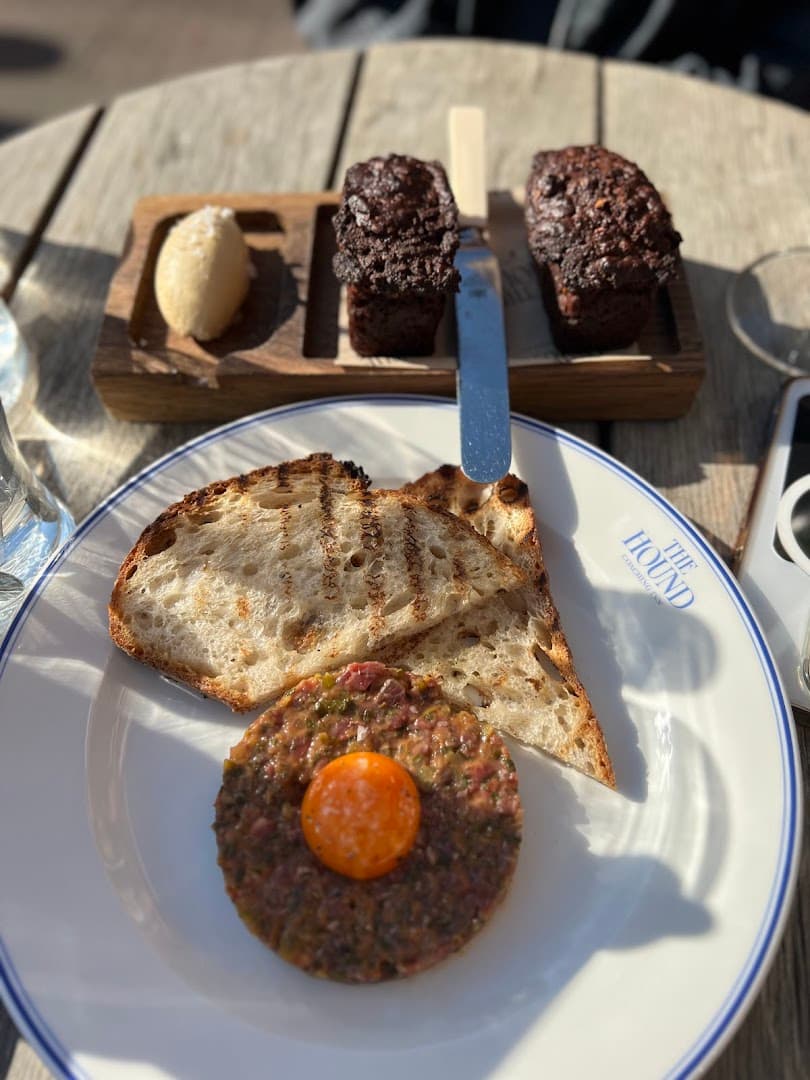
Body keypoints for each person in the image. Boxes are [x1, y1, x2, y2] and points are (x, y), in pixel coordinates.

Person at [294, 0, 810, 109]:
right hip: (419, 100)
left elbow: (784, 63)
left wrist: (613, 107)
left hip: (682, 136)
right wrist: (436, 72)